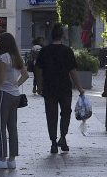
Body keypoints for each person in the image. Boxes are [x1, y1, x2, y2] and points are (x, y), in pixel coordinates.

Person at [35, 24, 85, 154]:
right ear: (62, 35)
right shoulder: (67, 51)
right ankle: (63, 137)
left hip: (49, 88)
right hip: (64, 88)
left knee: (51, 115)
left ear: (51, 36)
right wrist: (80, 88)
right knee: (66, 113)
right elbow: (73, 71)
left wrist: (39, 86)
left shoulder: (44, 51)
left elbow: (38, 70)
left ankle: (53, 143)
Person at [0, 32, 29, 170]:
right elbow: (25, 75)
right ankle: (12, 160)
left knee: (0, 127)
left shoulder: (3, 57)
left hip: (4, 94)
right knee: (12, 127)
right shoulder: (16, 57)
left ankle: (2, 159)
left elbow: (0, 78)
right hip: (15, 95)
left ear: (3, 44)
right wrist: (16, 84)